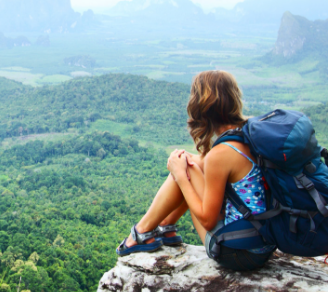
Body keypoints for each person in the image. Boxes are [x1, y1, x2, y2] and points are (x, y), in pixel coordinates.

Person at [116, 70, 275, 271]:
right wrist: (186, 162)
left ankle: (141, 233)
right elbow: (210, 162)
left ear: (202, 106)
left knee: (186, 170)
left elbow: (208, 220)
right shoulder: (250, 133)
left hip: (237, 253)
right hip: (261, 243)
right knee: (189, 162)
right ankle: (166, 227)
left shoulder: (222, 153)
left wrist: (181, 174)